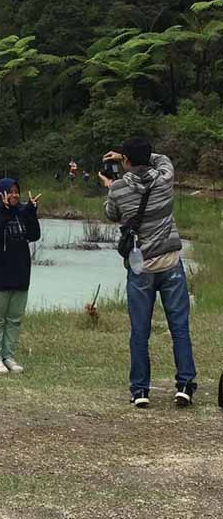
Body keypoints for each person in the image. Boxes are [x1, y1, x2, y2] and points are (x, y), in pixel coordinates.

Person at [98, 138, 197, 409]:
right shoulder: (164, 178)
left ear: (126, 162)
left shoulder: (118, 188)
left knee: (140, 331)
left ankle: (140, 389)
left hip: (141, 266)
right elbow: (162, 159)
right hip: (170, 262)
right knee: (179, 327)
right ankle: (185, 385)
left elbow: (111, 214)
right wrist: (131, 155)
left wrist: (110, 186)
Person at [0, 178, 41, 374]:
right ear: (1, 193)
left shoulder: (21, 212)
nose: (14, 195)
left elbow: (34, 235)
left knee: (14, 320)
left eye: (16, 191)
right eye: (10, 191)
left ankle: (8, 356)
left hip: (20, 273)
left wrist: (31, 212)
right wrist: (5, 212)